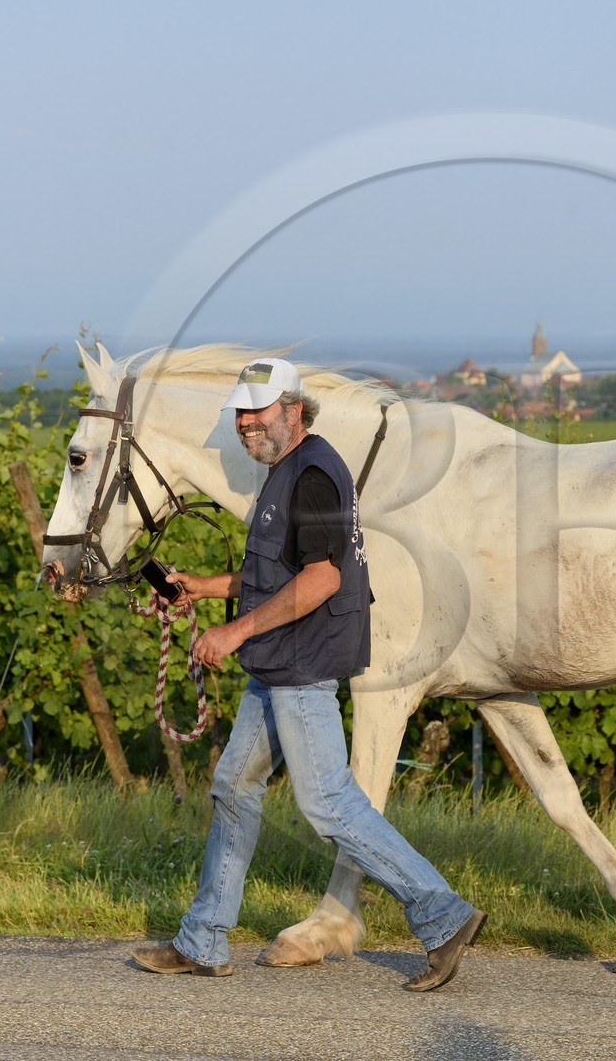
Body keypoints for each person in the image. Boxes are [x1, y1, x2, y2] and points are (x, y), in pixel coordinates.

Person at [132, 357, 485, 991]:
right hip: (277, 661)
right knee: (235, 784)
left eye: (257, 412)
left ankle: (443, 914)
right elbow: (276, 573)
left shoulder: (314, 475)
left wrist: (234, 631)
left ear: (293, 411)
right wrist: (203, 589)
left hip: (302, 663)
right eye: (240, 412)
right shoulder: (282, 470)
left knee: (328, 804)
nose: (245, 425)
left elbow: (321, 580)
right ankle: (204, 938)